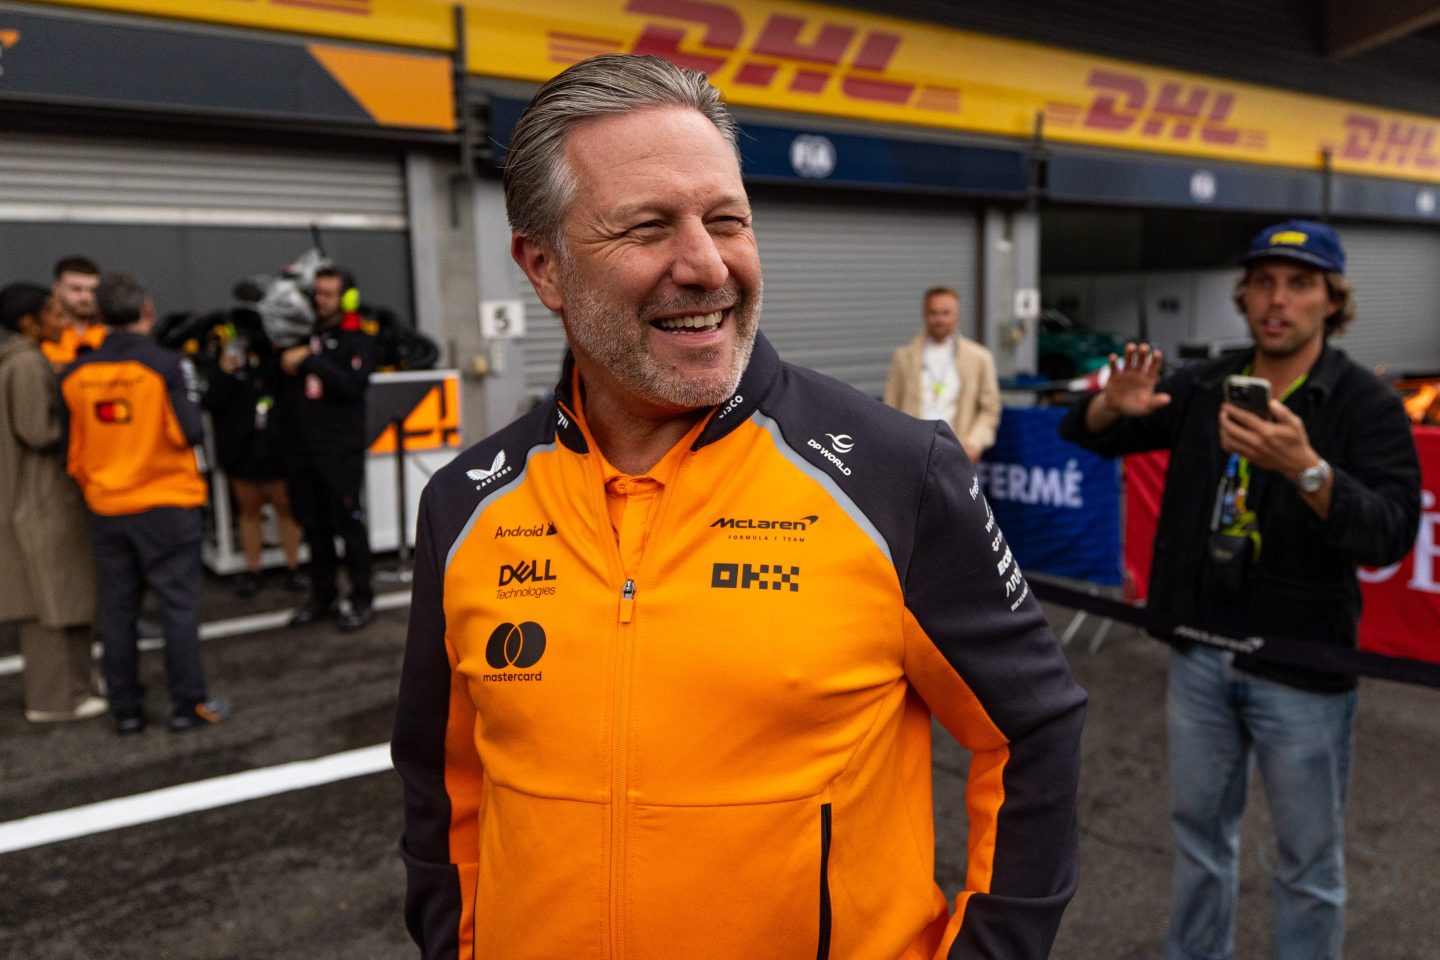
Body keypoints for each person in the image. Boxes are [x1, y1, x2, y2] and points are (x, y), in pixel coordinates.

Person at [392, 54, 1086, 960]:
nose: (707, 265)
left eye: (727, 220)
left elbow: (1032, 730)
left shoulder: (892, 473)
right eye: (648, 227)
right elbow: (444, 785)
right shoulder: (464, 504)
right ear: (544, 266)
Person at [1058, 219, 1420, 960]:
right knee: (1198, 843)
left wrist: (1307, 470)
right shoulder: (1205, 382)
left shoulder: (1364, 404)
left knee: (1309, 864)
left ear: (1332, 302)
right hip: (1197, 655)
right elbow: (1087, 432)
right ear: (1244, 296)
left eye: (1299, 284)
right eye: (1262, 282)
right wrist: (1108, 405)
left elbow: (1390, 532)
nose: (1276, 299)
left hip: (1303, 668)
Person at [60, 272, 230, 735]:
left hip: (107, 508)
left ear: (97, 315)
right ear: (147, 310)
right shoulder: (167, 365)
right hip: (166, 503)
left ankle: (127, 710)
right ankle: (188, 705)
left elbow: (67, 449)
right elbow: (192, 432)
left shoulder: (75, 373)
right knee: (176, 607)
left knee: (117, 613)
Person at [0, 283, 106, 723]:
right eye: (50, 311)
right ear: (28, 321)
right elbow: (39, 432)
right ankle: (56, 699)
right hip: (40, 496)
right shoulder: (26, 364)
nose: (59, 318)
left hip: (30, 495)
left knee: (59, 595)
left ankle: (77, 686)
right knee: (50, 600)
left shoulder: (15, 359)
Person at [278, 266, 376, 631]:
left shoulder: (359, 336)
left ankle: (362, 598)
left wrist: (310, 360)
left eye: (328, 294)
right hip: (303, 450)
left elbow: (353, 385)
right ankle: (324, 597)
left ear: (347, 298)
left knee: (349, 526)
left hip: (340, 451)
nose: (320, 301)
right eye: (316, 293)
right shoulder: (298, 334)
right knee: (314, 529)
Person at [202, 293, 306, 598]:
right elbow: (213, 403)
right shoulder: (227, 366)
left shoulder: (276, 366)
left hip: (278, 452)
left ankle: (293, 566)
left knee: (286, 509)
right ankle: (253, 569)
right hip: (242, 453)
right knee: (248, 511)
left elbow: (290, 400)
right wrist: (224, 372)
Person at [883, 286, 1002, 462]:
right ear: (925, 315)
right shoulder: (904, 357)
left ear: (957, 316)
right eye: (934, 313)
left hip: (958, 452)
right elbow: (890, 407)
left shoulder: (979, 358)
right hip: (913, 453)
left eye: (946, 313)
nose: (939, 319)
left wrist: (974, 443)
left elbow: (990, 408)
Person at [42, 255, 106, 370]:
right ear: (57, 289)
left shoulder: (111, 331)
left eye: (93, 290)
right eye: (76, 289)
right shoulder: (43, 331)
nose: (86, 297)